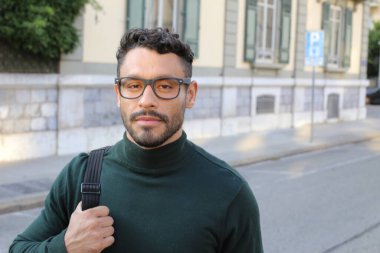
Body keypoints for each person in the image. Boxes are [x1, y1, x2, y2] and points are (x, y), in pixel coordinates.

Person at [10, 27, 263, 253]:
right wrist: (65, 247)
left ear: (191, 95)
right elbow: (19, 248)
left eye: (165, 86)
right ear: (118, 94)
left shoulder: (229, 193)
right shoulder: (81, 174)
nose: (146, 100)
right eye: (133, 85)